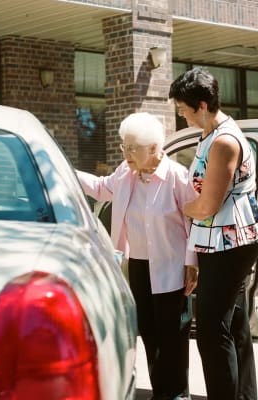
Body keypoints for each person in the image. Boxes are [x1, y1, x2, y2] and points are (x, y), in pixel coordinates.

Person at [76, 112, 198, 400]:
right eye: (124, 147)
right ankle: (162, 392)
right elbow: (100, 189)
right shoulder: (124, 172)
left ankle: (178, 394)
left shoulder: (177, 178)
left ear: (155, 148)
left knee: (174, 336)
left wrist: (192, 263)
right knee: (150, 333)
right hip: (139, 267)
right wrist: (63, 171)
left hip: (172, 267)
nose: (126, 153)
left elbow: (196, 223)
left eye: (133, 148)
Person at [169, 67, 258, 400]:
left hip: (231, 242)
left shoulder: (224, 141)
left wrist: (178, 207)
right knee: (234, 324)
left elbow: (207, 206)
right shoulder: (210, 133)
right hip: (223, 240)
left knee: (212, 331)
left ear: (201, 105)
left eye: (183, 108)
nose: (181, 114)